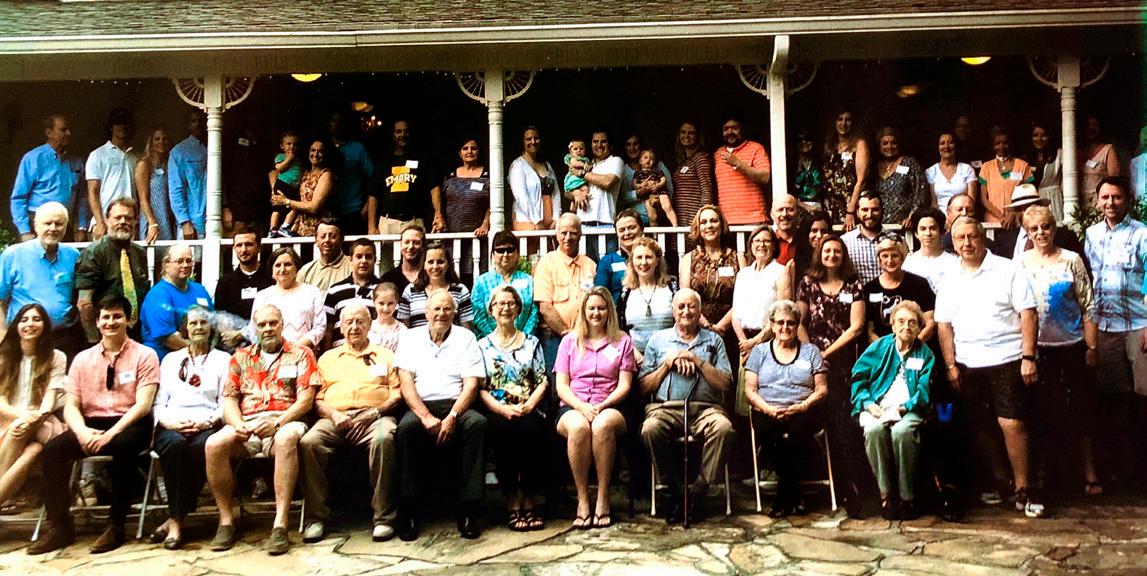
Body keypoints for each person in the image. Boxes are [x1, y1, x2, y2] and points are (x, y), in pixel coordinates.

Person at [30, 294, 158, 555]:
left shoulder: (145, 355)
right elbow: (71, 406)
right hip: (90, 423)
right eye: (105, 317)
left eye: (117, 316)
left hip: (130, 422)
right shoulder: (82, 359)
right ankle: (60, 526)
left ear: (127, 320)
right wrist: (82, 433)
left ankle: (116, 525)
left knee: (123, 447)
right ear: (97, 322)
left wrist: (110, 434)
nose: (111, 322)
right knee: (52, 451)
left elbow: (143, 405)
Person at [936, 216, 1044, 518]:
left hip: (1007, 358)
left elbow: (1028, 314)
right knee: (980, 425)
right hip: (967, 363)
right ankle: (1001, 481)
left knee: (1012, 424)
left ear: (983, 237)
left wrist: (1028, 357)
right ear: (953, 243)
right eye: (960, 238)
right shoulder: (949, 277)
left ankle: (1024, 489)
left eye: (972, 236)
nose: (967, 243)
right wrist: (950, 365)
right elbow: (944, 326)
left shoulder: (1008, 269)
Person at [204, 304, 317, 555]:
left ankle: (280, 524)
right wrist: (237, 424)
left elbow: (306, 400)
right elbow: (229, 398)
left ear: (282, 324)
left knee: (286, 439)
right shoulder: (240, 357)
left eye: (273, 323)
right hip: (247, 422)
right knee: (214, 444)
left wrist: (278, 423)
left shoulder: (301, 354)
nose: (267, 329)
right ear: (254, 328)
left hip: (285, 420)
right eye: (262, 324)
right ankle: (226, 522)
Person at [1016, 204, 1101, 496]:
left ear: (1054, 228)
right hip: (1037, 350)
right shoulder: (1021, 263)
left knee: (1082, 410)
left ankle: (1089, 472)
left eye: (1046, 227)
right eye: (1034, 229)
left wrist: (1091, 346)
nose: (1041, 233)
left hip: (1072, 346)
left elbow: (1089, 305)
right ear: (1027, 233)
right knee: (1041, 412)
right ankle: (1043, 473)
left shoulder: (1071, 259)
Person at [300, 304, 402, 543]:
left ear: (369, 325)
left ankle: (384, 518)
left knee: (384, 439)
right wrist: (334, 415)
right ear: (341, 327)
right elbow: (317, 399)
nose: (354, 327)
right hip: (335, 418)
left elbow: (397, 394)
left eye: (360, 322)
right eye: (349, 322)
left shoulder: (386, 356)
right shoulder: (327, 358)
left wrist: (374, 412)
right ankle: (315, 518)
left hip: (375, 417)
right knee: (309, 442)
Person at [394, 291, 488, 541]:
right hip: (421, 405)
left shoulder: (466, 337)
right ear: (426, 313)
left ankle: (468, 509)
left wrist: (454, 415)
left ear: (454, 313)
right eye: (436, 309)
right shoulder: (410, 338)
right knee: (406, 429)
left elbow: (471, 384)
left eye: (447, 309)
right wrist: (425, 416)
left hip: (456, 404)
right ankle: (409, 510)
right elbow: (406, 383)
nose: (441, 314)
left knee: (477, 424)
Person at [640, 289, 734, 524]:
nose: (686, 311)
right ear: (673, 311)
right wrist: (667, 364)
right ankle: (675, 491)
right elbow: (643, 387)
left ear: (700, 311)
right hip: (665, 409)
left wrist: (697, 361)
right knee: (650, 429)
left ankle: (699, 491)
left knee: (723, 428)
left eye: (692, 306)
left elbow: (725, 383)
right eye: (681, 306)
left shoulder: (714, 341)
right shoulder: (658, 340)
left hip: (706, 409)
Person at [1083, 177, 1147, 487]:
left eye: (1117, 197)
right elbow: (1090, 281)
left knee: (1143, 396)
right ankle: (1124, 466)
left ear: (1127, 200)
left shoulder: (1142, 233)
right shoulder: (1091, 234)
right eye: (1105, 197)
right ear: (1098, 201)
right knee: (1114, 399)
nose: (1110, 203)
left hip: (1138, 324)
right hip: (1105, 325)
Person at [555, 286, 635, 529]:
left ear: (609, 310)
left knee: (601, 426)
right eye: (591, 308)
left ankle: (602, 496)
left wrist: (602, 405)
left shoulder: (622, 341)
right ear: (584, 311)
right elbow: (561, 386)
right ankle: (582, 499)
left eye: (601, 308)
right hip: (573, 405)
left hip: (611, 405)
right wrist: (581, 406)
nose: (596, 313)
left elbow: (624, 385)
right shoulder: (569, 341)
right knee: (579, 428)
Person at [796, 234, 866, 513]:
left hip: (843, 362)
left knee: (844, 424)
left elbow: (856, 327)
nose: (832, 255)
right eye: (827, 251)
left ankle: (850, 488)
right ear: (820, 254)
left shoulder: (853, 284)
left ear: (843, 255)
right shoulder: (807, 283)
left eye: (837, 251)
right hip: (812, 363)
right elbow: (798, 322)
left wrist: (828, 353)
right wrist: (814, 354)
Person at [149, 306, 228, 549]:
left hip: (207, 423)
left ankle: (175, 520)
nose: (199, 327)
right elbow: (159, 403)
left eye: (204, 322)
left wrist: (209, 421)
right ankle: (176, 520)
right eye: (193, 323)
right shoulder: (171, 360)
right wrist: (169, 423)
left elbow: (225, 401)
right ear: (185, 329)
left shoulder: (223, 360)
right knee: (175, 446)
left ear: (211, 328)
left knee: (202, 448)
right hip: (172, 423)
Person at [743, 300, 828, 517]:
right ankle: (794, 492)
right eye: (780, 322)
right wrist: (768, 409)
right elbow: (750, 391)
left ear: (797, 325)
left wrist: (802, 406)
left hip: (804, 410)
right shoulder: (759, 352)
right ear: (771, 325)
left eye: (791, 323)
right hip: (767, 410)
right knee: (767, 431)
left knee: (798, 433)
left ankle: (783, 495)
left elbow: (821, 389)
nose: (785, 327)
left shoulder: (811, 352)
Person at [850, 300, 933, 520]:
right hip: (877, 405)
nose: (906, 326)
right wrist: (868, 403)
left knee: (901, 432)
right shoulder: (879, 347)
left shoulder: (925, 354)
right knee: (874, 431)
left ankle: (907, 497)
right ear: (893, 325)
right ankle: (885, 494)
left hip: (909, 408)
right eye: (901, 321)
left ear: (919, 328)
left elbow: (923, 391)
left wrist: (903, 408)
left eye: (912, 323)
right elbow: (858, 379)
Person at [477, 285, 549, 532]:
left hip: (529, 406)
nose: (505, 308)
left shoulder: (532, 342)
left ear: (518, 309)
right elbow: (480, 387)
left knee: (531, 430)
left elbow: (542, 380)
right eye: (500, 304)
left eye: (510, 303)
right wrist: (501, 409)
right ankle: (511, 500)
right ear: (491, 310)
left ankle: (529, 498)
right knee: (503, 432)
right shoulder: (482, 346)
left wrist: (528, 406)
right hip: (497, 408)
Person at [0, 304, 67, 521]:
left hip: (43, 420)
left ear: (45, 325)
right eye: (24, 319)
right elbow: (1, 402)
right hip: (9, 419)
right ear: (16, 326)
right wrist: (22, 416)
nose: (30, 324)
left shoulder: (56, 357)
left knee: (24, 432)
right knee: (33, 449)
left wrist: (36, 417)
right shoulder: (4, 357)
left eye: (37, 319)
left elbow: (50, 398)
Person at [0, 203, 83, 358]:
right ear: (36, 225)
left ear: (66, 228)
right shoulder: (12, 255)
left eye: (59, 224)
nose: (53, 228)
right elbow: (0, 300)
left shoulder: (73, 255)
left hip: (62, 338)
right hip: (23, 338)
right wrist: (2, 335)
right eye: (47, 223)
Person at [75, 198, 150, 343]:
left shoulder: (139, 253)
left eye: (128, 218)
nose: (123, 222)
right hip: (104, 333)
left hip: (135, 335)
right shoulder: (94, 253)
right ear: (107, 220)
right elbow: (84, 303)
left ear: (135, 222)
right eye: (117, 217)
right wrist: (94, 341)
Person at [534, 213, 597, 377]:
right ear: (557, 234)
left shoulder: (590, 265)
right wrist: (568, 334)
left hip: (587, 338)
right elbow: (545, 307)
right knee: (557, 385)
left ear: (580, 235)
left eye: (573, 233)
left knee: (584, 383)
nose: (568, 238)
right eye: (563, 233)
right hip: (555, 338)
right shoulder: (547, 263)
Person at [10, 114, 85, 242]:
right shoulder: (33, 159)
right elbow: (18, 198)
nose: (68, 133)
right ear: (49, 133)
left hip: (64, 223)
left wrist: (81, 227)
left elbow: (82, 198)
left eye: (68, 130)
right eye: (63, 130)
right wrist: (25, 231)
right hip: (37, 224)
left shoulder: (76, 161)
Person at [679, 205, 745, 338]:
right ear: (698, 228)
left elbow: (744, 298)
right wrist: (706, 325)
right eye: (703, 222)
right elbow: (686, 298)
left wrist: (721, 326)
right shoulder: (688, 259)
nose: (709, 226)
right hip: (697, 329)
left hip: (731, 330)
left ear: (722, 225)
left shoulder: (738, 258)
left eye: (714, 221)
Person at [140, 244, 214, 361]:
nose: (185, 265)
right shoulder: (158, 295)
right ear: (166, 265)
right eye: (179, 261)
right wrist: (202, 353)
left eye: (188, 261)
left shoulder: (199, 290)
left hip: (199, 358)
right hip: (166, 361)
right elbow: (169, 339)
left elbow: (213, 322)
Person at [732, 225, 792, 360]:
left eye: (767, 241)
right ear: (751, 245)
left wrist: (755, 342)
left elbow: (782, 314)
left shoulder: (781, 272)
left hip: (769, 341)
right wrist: (744, 342)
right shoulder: (743, 274)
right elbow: (735, 314)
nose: (761, 245)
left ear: (774, 246)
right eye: (757, 241)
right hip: (743, 343)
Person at [249, 248, 326, 351]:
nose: (282, 269)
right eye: (277, 265)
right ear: (272, 271)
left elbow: (320, 326)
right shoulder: (262, 296)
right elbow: (254, 329)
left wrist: (295, 348)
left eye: (287, 264)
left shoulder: (312, 292)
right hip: (271, 353)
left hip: (303, 352)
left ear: (296, 268)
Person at [862, 234, 935, 342]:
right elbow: (869, 330)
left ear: (902, 258)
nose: (890, 260)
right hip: (882, 349)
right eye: (885, 256)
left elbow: (930, 323)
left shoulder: (919, 284)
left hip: (915, 346)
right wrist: (886, 348)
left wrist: (911, 346)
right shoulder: (870, 288)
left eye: (894, 255)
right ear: (879, 260)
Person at [369, 119, 437, 235]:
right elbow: (373, 195)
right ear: (392, 135)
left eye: (406, 131)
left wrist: (438, 214)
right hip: (388, 222)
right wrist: (371, 226)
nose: (402, 135)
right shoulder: (384, 163)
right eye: (398, 131)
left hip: (414, 221)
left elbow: (434, 187)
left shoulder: (422, 160)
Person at [437, 138, 491, 279]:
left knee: (477, 274)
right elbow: (441, 202)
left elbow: (493, 204)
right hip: (452, 236)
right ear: (460, 153)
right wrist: (439, 219)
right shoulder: (450, 175)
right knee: (452, 273)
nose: (469, 151)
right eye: (465, 148)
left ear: (479, 152)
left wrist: (485, 224)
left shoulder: (487, 175)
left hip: (478, 236)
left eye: (473, 148)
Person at [618, 236, 678, 362]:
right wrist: (636, 356)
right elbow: (619, 330)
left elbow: (680, 324)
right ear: (632, 261)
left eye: (649, 257)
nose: (643, 262)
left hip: (669, 357)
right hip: (636, 360)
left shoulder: (671, 288)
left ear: (657, 260)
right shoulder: (626, 293)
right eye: (639, 257)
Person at [992, 184, 1086, 262]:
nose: (1025, 213)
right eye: (1019, 209)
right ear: (1014, 212)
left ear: (1040, 207)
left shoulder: (1065, 237)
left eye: (1029, 207)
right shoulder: (1003, 241)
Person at [568, 131, 624, 259]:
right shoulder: (585, 163)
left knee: (608, 266)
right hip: (582, 225)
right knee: (586, 268)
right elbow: (567, 190)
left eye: (603, 141)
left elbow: (607, 182)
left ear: (610, 145)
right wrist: (576, 193)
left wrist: (582, 173)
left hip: (605, 223)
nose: (599, 145)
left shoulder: (615, 161)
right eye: (595, 141)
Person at [472, 231, 537, 340]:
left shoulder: (529, 281)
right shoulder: (481, 282)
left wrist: (523, 338)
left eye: (510, 250)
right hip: (490, 342)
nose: (505, 254)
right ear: (493, 254)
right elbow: (478, 316)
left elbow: (534, 313)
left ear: (517, 253)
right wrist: (496, 340)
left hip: (524, 341)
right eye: (500, 250)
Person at [86, 108, 138, 240]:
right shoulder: (97, 155)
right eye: (117, 122)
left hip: (128, 221)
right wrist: (100, 222)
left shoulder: (137, 157)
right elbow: (93, 192)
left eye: (125, 122)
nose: (122, 126)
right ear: (110, 127)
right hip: (105, 222)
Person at [396, 241, 473, 329]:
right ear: (424, 265)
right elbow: (404, 328)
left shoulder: (460, 290)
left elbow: (466, 328)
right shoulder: (410, 291)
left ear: (448, 264)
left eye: (440, 262)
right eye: (430, 262)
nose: (435, 266)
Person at [213, 227, 275, 335]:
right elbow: (220, 318)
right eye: (239, 245)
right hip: (233, 341)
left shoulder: (271, 279)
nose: (244, 250)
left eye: (248, 244)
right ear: (234, 248)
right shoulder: (225, 283)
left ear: (259, 247)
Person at [713, 115, 771, 225]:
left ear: (743, 130)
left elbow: (764, 177)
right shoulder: (717, 154)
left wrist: (737, 163)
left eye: (734, 128)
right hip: (726, 221)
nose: (730, 132)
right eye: (726, 129)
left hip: (754, 219)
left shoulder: (756, 148)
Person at [272, 139, 335, 239]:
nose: (315, 154)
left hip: (316, 230)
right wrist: (273, 189)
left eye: (320, 151)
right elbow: (273, 172)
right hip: (298, 228)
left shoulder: (326, 174)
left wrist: (287, 201)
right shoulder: (305, 173)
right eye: (313, 150)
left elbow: (314, 207)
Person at [324, 238, 380, 348]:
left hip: (373, 351)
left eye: (368, 257)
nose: (364, 261)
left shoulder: (383, 290)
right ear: (350, 260)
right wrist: (327, 353)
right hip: (340, 352)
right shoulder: (335, 291)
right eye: (359, 256)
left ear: (375, 260)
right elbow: (328, 329)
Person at [326, 112, 375, 235]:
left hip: (354, 210)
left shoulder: (358, 148)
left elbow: (374, 179)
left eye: (341, 121)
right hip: (327, 212)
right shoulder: (321, 149)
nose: (338, 125)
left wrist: (366, 208)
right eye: (334, 120)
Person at [222, 118, 270, 237]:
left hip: (259, 213)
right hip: (237, 213)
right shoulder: (233, 144)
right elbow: (222, 176)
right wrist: (225, 208)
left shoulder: (263, 146)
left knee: (256, 245)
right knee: (238, 244)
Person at [823, 110, 870, 228]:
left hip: (850, 204)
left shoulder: (859, 144)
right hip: (829, 205)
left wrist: (851, 210)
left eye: (847, 120)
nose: (843, 123)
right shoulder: (830, 145)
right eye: (840, 119)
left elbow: (861, 180)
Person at [978, 126, 1034, 226]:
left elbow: (1029, 196)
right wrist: (1001, 217)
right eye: (997, 143)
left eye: (1005, 143)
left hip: (1017, 221)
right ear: (992, 145)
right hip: (993, 222)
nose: (1001, 146)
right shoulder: (986, 167)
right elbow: (983, 199)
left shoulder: (1023, 165)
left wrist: (1014, 214)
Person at [874, 126, 930, 226]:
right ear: (879, 146)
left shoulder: (909, 163)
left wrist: (912, 216)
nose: (889, 146)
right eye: (885, 143)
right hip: (879, 226)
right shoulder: (874, 168)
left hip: (904, 226)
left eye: (893, 143)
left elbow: (921, 192)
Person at [507, 126, 558, 232]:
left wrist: (556, 218)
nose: (533, 142)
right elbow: (521, 196)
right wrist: (537, 221)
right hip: (527, 221)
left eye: (536, 138)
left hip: (550, 223)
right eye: (528, 139)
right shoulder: (518, 165)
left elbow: (556, 193)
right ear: (522, 142)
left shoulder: (547, 165)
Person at [619, 133, 675, 225]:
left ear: (641, 145)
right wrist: (637, 193)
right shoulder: (623, 170)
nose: (632, 148)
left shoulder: (658, 166)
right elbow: (621, 197)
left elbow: (670, 191)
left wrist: (657, 188)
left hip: (659, 218)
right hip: (635, 221)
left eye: (636, 144)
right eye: (628, 145)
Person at [168, 109, 208, 240]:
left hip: (215, 220)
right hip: (193, 223)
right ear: (188, 125)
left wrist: (225, 208)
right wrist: (184, 221)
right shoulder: (179, 152)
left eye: (201, 120)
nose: (198, 124)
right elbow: (176, 189)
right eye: (194, 121)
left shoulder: (215, 147)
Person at [594, 209, 645, 305]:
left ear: (642, 229)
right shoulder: (607, 261)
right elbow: (600, 295)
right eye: (622, 230)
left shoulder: (652, 258)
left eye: (631, 228)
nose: (627, 233)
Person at [671, 121, 715, 230]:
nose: (686, 136)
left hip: (694, 218)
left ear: (698, 136)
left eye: (691, 133)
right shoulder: (682, 161)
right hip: (680, 217)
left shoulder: (701, 158)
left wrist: (703, 217)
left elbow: (706, 189)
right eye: (683, 132)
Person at [135, 125, 175, 242]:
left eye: (164, 139)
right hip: (153, 218)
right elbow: (143, 199)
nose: (161, 142)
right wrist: (152, 223)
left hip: (169, 217)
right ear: (151, 142)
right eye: (157, 139)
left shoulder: (171, 164)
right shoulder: (144, 165)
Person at [903, 208, 957, 293]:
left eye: (933, 228)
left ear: (941, 232)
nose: (928, 233)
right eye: (923, 229)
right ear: (916, 233)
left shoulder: (953, 262)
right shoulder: (909, 262)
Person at [926, 132, 979, 217]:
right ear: (938, 147)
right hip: (940, 218)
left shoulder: (967, 169)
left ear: (956, 146)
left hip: (963, 217)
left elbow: (971, 201)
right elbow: (933, 203)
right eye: (942, 143)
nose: (946, 146)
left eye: (950, 142)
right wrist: (944, 219)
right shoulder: (931, 171)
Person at [841, 192, 884, 285]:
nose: (869, 215)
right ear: (857, 212)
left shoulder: (896, 241)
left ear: (882, 211)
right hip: (856, 293)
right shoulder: (844, 242)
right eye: (865, 210)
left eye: (875, 209)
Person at [298, 220, 352, 292]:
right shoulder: (306, 271)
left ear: (341, 239)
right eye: (323, 236)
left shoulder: (352, 267)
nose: (327, 240)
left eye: (332, 236)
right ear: (316, 240)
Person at [1080, 115, 1121, 208]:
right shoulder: (1079, 151)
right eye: (1088, 125)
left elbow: (1114, 179)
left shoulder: (1108, 149)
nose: (1091, 128)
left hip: (1100, 200)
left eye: (1095, 125)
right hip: (1081, 201)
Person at [268, 130, 303, 238]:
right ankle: (272, 229)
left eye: (295, 144)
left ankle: (284, 227)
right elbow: (279, 168)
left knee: (295, 206)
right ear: (282, 146)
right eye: (289, 144)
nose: (292, 147)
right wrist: (288, 159)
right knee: (277, 209)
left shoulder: (298, 160)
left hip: (293, 187)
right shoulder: (281, 156)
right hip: (282, 184)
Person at [1027, 122, 1064, 221]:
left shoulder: (1059, 154)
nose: (1039, 139)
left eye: (1044, 135)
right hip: (1033, 201)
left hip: (1053, 199)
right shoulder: (1025, 158)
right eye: (1035, 135)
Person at [633, 149, 678, 226]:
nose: (648, 160)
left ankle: (675, 225)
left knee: (667, 207)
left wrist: (658, 185)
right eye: (645, 157)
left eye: (651, 158)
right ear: (640, 161)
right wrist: (641, 185)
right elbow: (634, 184)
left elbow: (663, 179)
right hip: (647, 195)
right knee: (652, 216)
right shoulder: (638, 173)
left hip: (660, 191)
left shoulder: (657, 171)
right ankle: (654, 231)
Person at [380, 223, 426, 296]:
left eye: (416, 243)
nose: (411, 246)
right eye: (406, 242)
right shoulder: (389, 278)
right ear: (401, 245)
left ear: (423, 246)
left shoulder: (430, 276)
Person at [791, 129, 825, 213]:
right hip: (797, 208)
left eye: (807, 139)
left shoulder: (821, 163)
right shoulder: (791, 165)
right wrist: (805, 206)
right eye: (799, 140)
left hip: (819, 207)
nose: (803, 142)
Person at [368, 283, 406, 352]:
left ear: (396, 303)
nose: (385, 308)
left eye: (390, 303)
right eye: (381, 303)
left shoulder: (402, 330)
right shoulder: (367, 328)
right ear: (374, 302)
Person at [563, 139, 591, 207]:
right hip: (573, 179)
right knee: (583, 190)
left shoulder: (585, 159)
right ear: (570, 151)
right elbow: (574, 164)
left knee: (584, 190)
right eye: (575, 149)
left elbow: (589, 166)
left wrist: (588, 165)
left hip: (580, 179)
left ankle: (574, 205)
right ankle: (580, 202)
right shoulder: (572, 158)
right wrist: (583, 165)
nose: (578, 151)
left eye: (581, 149)